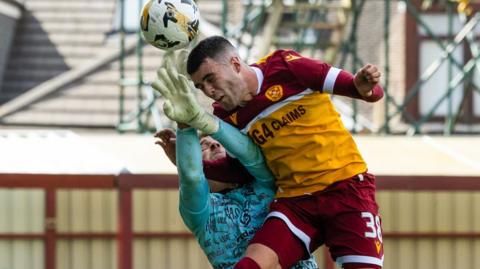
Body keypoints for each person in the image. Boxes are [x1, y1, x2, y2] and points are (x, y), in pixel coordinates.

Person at [153, 36, 385, 269]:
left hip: (346, 189)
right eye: (200, 87)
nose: (209, 91)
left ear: (235, 64)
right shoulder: (224, 115)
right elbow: (238, 170)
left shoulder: (286, 66)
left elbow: (363, 89)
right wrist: (185, 157)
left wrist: (365, 87)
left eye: (210, 79)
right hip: (297, 201)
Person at [154, 119, 318, 268]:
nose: (215, 146)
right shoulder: (202, 210)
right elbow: (191, 176)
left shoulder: (265, 181)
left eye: (220, 143)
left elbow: (250, 156)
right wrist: (185, 127)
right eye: (203, 145)